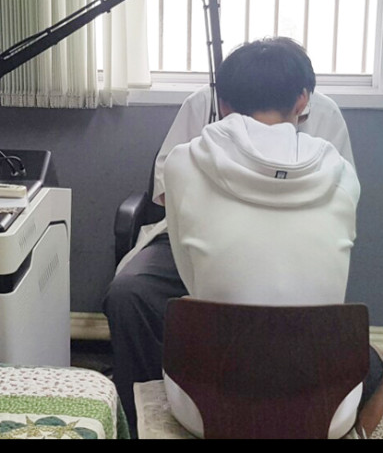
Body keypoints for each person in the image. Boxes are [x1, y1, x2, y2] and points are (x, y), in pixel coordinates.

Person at [102, 37, 359, 436]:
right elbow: (168, 199)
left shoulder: (327, 116)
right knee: (129, 292)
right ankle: (137, 413)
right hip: (195, 232)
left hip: (269, 250)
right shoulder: (198, 106)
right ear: (300, 98)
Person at [161, 38, 383, 438]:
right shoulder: (341, 173)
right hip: (322, 410)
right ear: (302, 101)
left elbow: (189, 273)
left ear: (223, 104)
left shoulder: (182, 163)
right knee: (375, 363)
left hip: (206, 406)